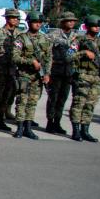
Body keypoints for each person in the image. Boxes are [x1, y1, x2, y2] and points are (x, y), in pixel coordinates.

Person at [69, 15, 100, 142]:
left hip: (96, 77)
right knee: (78, 103)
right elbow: (68, 56)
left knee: (90, 105)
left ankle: (85, 130)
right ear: (88, 26)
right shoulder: (79, 40)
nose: (97, 28)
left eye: (98, 26)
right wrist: (84, 53)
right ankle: (76, 131)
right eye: (94, 26)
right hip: (82, 75)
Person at [11, 11, 51, 140]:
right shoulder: (21, 38)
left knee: (33, 102)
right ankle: (19, 128)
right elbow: (15, 57)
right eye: (35, 22)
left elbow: (49, 58)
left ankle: (28, 128)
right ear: (29, 23)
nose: (38, 24)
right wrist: (30, 61)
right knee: (22, 101)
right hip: (24, 75)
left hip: (38, 77)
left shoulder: (44, 39)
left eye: (40, 22)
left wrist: (47, 73)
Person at [45, 11, 80, 134]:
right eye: (69, 20)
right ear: (63, 22)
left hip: (68, 72)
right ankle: (50, 123)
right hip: (55, 70)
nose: (71, 23)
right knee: (53, 98)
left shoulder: (76, 36)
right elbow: (46, 50)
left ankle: (57, 123)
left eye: (73, 21)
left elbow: (75, 54)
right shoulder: (53, 34)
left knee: (62, 99)